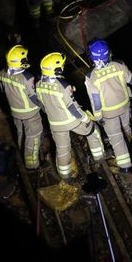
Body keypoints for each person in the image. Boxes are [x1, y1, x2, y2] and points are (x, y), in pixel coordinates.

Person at [36, 51, 103, 181]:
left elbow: (42, 104)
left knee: (62, 149)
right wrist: (86, 119)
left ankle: (65, 176)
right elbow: (73, 108)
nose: (62, 67)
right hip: (72, 121)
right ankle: (99, 157)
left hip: (55, 124)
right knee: (93, 130)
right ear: (56, 69)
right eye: (61, 65)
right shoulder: (63, 86)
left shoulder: (38, 85)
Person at [85, 39, 132, 173]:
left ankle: (125, 166)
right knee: (126, 128)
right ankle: (128, 148)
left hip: (108, 113)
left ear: (91, 57)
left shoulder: (91, 77)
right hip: (124, 107)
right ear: (109, 53)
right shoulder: (119, 65)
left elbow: (96, 101)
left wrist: (98, 117)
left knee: (116, 137)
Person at [0, 44, 44, 172]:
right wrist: (46, 108)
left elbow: (2, 91)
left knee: (21, 133)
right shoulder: (27, 78)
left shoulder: (2, 73)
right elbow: (34, 97)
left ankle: (22, 150)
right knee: (33, 137)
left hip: (15, 112)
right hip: (30, 114)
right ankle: (32, 165)